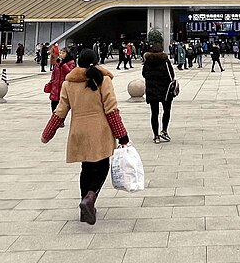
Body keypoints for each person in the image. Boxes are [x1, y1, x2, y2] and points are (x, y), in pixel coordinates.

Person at [41, 49, 130, 225]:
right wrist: (122, 135)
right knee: (102, 166)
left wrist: (47, 134)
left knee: (86, 168)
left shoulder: (69, 84)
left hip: (79, 131)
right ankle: (90, 198)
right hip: (100, 131)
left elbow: (60, 112)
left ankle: (85, 204)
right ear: (96, 62)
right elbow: (111, 109)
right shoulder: (103, 80)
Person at [142, 42, 176, 143]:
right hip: (164, 90)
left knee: (154, 113)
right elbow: (171, 76)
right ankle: (164, 131)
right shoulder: (165, 61)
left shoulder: (147, 61)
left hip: (152, 90)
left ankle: (156, 136)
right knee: (166, 110)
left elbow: (144, 74)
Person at [46, 47, 75, 112]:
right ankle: (55, 121)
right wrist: (52, 82)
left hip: (64, 88)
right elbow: (54, 74)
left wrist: (63, 64)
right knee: (54, 108)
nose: (61, 54)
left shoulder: (71, 63)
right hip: (55, 88)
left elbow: (70, 73)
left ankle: (60, 121)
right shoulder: (58, 63)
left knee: (62, 109)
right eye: (60, 53)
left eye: (63, 53)